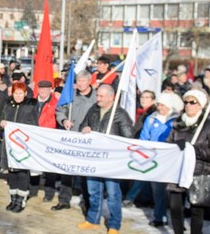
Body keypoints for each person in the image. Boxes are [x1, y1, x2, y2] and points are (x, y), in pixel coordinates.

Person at [77, 85, 133, 233]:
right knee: (93, 191)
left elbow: (128, 138)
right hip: (94, 158)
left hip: (112, 161)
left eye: (101, 96)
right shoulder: (93, 110)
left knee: (113, 194)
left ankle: (114, 225)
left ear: (111, 97)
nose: (98, 99)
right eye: (97, 96)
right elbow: (83, 126)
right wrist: (85, 129)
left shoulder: (120, 114)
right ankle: (93, 219)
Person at [167, 89, 210, 234]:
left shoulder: (209, 125)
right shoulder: (177, 124)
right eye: (186, 102)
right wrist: (174, 147)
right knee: (175, 207)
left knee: (196, 210)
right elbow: (168, 145)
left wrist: (194, 150)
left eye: (193, 102)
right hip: (178, 171)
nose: (188, 105)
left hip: (199, 171)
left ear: (200, 105)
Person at [126, 92, 182, 226]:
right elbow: (144, 137)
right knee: (157, 190)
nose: (159, 107)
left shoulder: (176, 120)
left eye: (162, 105)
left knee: (175, 193)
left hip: (171, 158)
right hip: (154, 158)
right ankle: (160, 217)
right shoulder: (152, 118)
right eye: (158, 104)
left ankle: (177, 220)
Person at [48, 70, 96, 211]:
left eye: (83, 81)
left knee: (85, 174)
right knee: (66, 172)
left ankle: (87, 203)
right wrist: (64, 120)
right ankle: (64, 200)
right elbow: (59, 110)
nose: (80, 84)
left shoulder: (95, 97)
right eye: (78, 81)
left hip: (87, 140)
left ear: (89, 81)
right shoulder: (70, 95)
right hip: (70, 137)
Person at [0, 82, 38, 213]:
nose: (18, 96)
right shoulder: (7, 105)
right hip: (9, 144)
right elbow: (2, 119)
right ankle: (13, 199)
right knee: (12, 173)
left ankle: (20, 200)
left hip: (22, 145)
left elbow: (34, 124)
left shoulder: (30, 106)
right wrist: (2, 123)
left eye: (20, 93)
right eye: (16, 93)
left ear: (25, 93)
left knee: (22, 173)